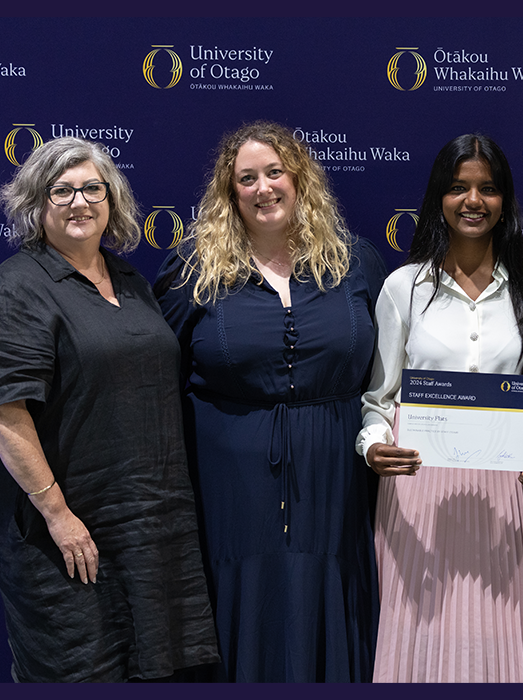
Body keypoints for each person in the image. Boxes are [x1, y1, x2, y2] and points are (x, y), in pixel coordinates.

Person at [0, 137, 220, 683]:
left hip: (152, 528)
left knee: (155, 665)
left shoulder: (129, 282)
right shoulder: (14, 291)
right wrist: (58, 515)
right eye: (61, 191)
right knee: (81, 666)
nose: (79, 202)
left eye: (91, 189)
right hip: (67, 533)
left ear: (112, 201)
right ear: (36, 205)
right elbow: (4, 414)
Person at [155, 121, 385, 683]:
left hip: (337, 480)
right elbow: (155, 375)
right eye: (247, 178)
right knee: (244, 596)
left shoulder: (355, 262)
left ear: (300, 179)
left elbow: (390, 375)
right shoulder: (194, 271)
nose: (264, 188)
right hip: (230, 482)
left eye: (275, 172)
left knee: (329, 591)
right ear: (229, 193)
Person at [356, 133, 523, 682]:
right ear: (438, 200)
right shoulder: (404, 287)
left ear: (505, 201)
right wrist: (375, 446)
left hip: (507, 491)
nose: (473, 201)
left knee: (503, 639)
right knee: (418, 637)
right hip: (420, 490)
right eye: (458, 188)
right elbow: (378, 399)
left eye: (488, 189)